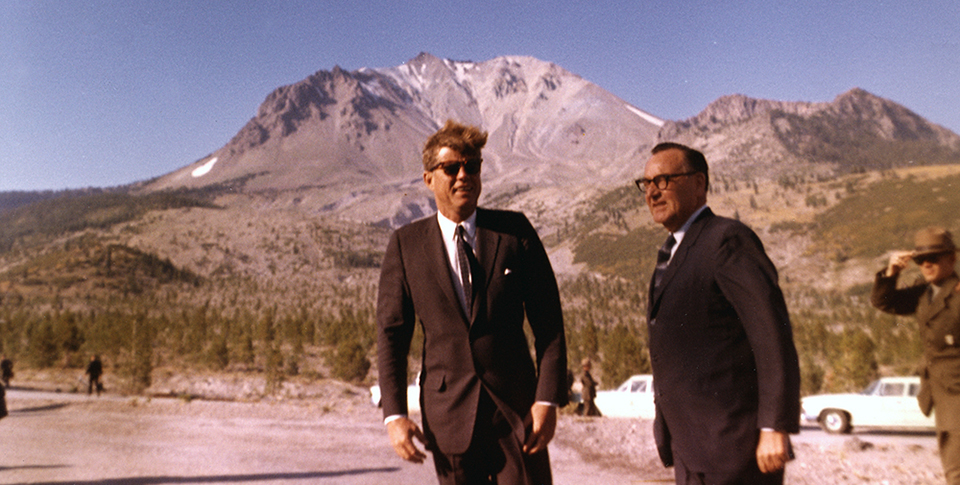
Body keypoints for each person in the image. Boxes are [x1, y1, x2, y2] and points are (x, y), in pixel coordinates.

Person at [376, 120, 568, 485]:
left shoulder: (515, 232)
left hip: (517, 411)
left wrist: (547, 400)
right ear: (429, 179)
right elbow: (391, 337)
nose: (464, 175)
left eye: (473, 166)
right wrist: (395, 415)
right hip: (448, 415)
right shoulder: (406, 245)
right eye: (451, 168)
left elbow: (550, 325)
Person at [638, 142, 801, 484]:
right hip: (692, 449)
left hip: (735, 448)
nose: (652, 192)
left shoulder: (727, 240)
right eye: (646, 183)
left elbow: (771, 333)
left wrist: (774, 425)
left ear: (698, 183)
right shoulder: (671, 254)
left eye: (663, 180)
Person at [871, 226, 960, 484]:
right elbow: (884, 302)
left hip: (957, 391)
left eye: (933, 258)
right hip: (940, 391)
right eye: (920, 260)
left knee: (956, 468)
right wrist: (892, 273)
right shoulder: (924, 293)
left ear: (952, 258)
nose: (926, 264)